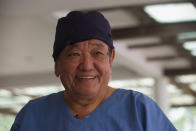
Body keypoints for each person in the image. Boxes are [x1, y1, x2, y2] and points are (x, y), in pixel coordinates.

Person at [10, 11, 177, 131]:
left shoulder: (140, 111)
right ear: (57, 65)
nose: (87, 66)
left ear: (110, 60)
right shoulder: (32, 116)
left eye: (97, 53)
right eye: (74, 54)